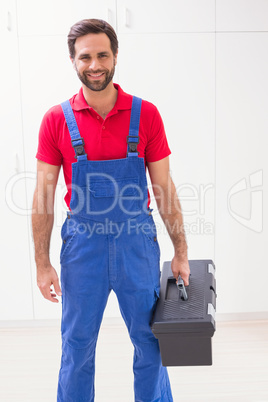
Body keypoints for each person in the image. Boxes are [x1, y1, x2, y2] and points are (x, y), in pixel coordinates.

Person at [32, 18, 190, 402]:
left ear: (115, 55)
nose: (95, 64)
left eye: (103, 54)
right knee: (77, 345)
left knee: (151, 341)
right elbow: (43, 197)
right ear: (73, 61)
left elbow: (164, 188)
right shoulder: (57, 120)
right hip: (82, 249)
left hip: (137, 244)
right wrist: (42, 263)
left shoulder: (146, 114)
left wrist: (181, 251)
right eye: (85, 56)